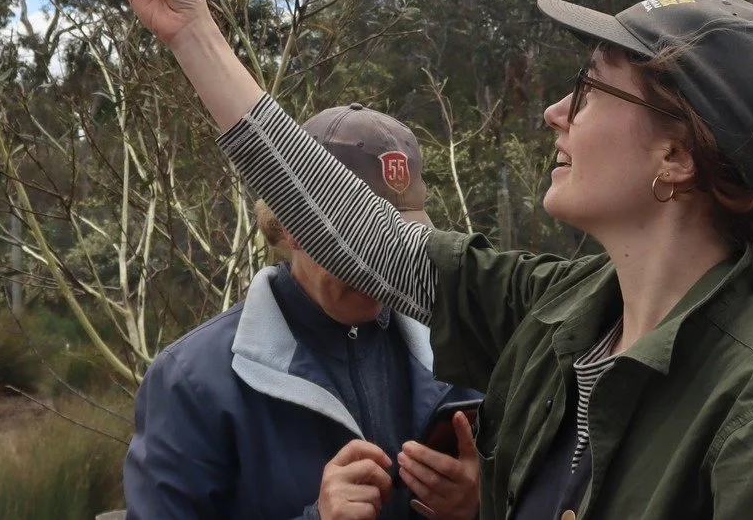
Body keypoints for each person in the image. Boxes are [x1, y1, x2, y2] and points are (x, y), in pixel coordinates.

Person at [114, 0, 753, 520]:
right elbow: (359, 234)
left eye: (590, 90)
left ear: (677, 154)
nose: (557, 112)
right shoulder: (563, 315)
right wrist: (191, 31)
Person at [123, 104, 484, 520]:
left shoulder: (461, 354)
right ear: (292, 226)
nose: (382, 267)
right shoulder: (192, 381)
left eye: (401, 243)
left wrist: (481, 503)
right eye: (360, 243)